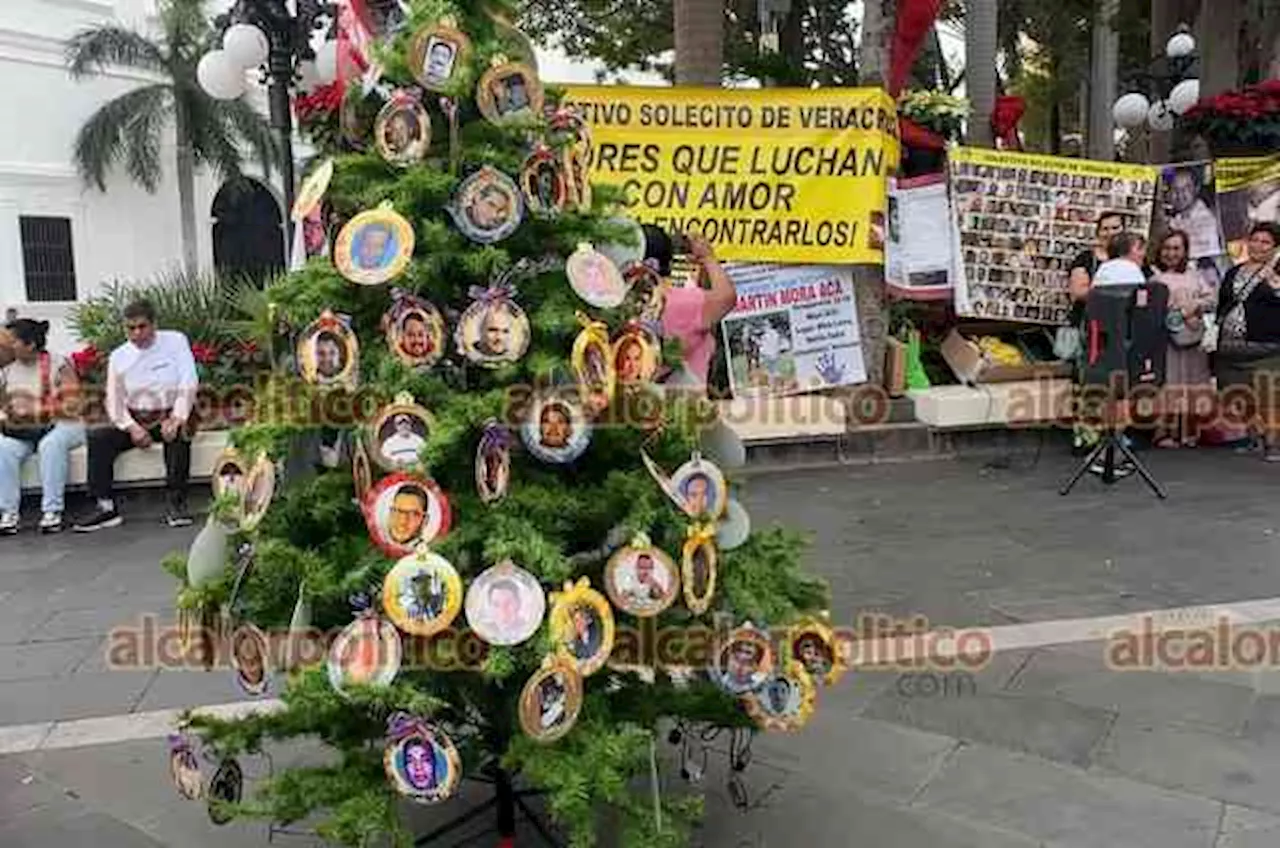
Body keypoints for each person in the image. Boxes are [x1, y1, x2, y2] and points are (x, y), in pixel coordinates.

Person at [74, 301, 198, 531]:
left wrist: (178, 417)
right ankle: (105, 506)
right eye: (131, 328)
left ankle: (177, 502)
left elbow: (188, 381)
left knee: (178, 434)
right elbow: (114, 399)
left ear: (154, 325)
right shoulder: (119, 356)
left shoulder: (175, 341)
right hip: (137, 417)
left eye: (142, 326)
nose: (137, 333)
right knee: (99, 437)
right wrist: (131, 427)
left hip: (173, 411)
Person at [0, 319, 85, 534]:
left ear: (30, 344)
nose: (7, 345)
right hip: (25, 430)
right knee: (4, 449)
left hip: (63, 424)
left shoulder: (58, 363)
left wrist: (38, 411)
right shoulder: (7, 370)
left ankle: (52, 511)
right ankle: (9, 513)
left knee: (51, 445)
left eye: (13, 341)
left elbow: (72, 403)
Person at [1214, 223, 1280, 460]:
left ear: (1275, 248)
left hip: (1266, 346)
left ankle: (1272, 443)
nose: (1258, 246)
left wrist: (1274, 281)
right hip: (1232, 346)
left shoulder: (1276, 273)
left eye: (1266, 242)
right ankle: (1254, 435)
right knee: (1238, 392)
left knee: (1269, 396)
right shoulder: (1234, 272)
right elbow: (1222, 303)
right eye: (1255, 240)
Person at [643, 228, 737, 393]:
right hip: (686, 406)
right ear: (670, 263)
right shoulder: (684, 302)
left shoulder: (619, 305)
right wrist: (708, 258)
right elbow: (726, 297)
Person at [1152, 230, 1216, 449]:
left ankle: (1188, 431)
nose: (1171, 253)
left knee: (1192, 382)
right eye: (1167, 248)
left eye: (1176, 248)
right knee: (1169, 383)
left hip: (1192, 338)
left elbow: (1211, 299)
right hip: (1165, 339)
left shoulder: (1194, 274)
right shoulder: (1153, 275)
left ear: (1185, 251)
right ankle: (1163, 432)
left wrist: (1195, 306)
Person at [1166, 167, 1224, 258]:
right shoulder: (1174, 220)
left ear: (1196, 189)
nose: (1180, 194)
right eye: (1174, 189)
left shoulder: (1209, 219)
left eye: (1186, 188)